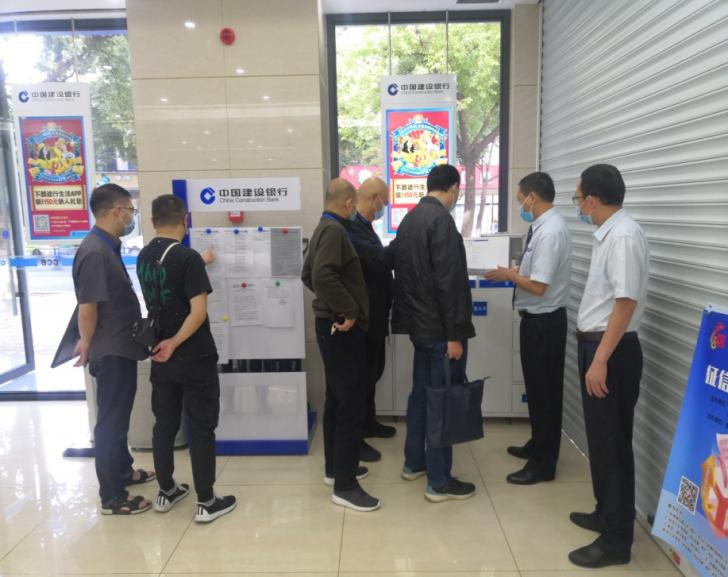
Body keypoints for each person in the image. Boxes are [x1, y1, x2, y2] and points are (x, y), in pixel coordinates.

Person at [136, 194, 236, 524]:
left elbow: (169, 284)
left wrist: (165, 344)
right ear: (186, 219)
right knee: (202, 426)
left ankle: (166, 490)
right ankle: (206, 501)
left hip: (159, 355)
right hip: (193, 356)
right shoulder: (187, 258)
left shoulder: (144, 256)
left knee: (164, 424)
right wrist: (175, 342)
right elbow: (197, 313)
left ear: (153, 221)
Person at [568, 164, 649, 568]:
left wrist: (600, 359)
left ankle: (616, 542)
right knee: (601, 441)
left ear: (593, 200)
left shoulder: (623, 237)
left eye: (577, 198)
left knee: (612, 444)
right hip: (600, 348)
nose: (577, 205)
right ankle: (606, 513)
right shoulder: (610, 234)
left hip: (611, 353)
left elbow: (625, 302)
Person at [391, 164, 477, 502]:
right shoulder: (441, 221)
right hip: (441, 333)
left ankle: (414, 463)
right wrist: (454, 335)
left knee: (421, 397)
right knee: (442, 402)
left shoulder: (409, 220)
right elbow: (449, 283)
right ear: (453, 187)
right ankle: (439, 482)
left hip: (420, 329)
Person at [71, 183, 154, 515]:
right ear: (117, 211)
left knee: (119, 417)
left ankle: (123, 471)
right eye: (131, 211)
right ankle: (112, 496)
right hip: (111, 349)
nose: (132, 217)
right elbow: (87, 307)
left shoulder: (107, 246)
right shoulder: (95, 251)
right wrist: (87, 341)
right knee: (111, 421)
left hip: (121, 344)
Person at [486, 172, 572, 485]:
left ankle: (543, 465)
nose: (520, 205)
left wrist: (510, 276)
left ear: (533, 197)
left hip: (545, 323)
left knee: (545, 394)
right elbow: (534, 272)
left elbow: (538, 286)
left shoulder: (550, 233)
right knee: (536, 390)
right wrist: (512, 270)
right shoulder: (542, 227)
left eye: (521, 199)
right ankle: (537, 444)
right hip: (536, 321)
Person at [301, 178, 380, 512]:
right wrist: (347, 310)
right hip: (342, 329)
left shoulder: (323, 226)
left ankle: (335, 469)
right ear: (349, 203)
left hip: (330, 325)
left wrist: (332, 306)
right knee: (350, 404)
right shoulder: (335, 231)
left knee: (337, 398)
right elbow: (321, 276)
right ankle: (345, 487)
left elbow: (308, 274)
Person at [350, 176, 397, 464]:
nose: (384, 208)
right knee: (361, 378)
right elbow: (378, 261)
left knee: (373, 373)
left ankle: (369, 422)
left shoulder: (365, 226)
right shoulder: (352, 228)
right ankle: (356, 438)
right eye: (384, 203)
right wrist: (402, 241)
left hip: (376, 315)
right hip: (363, 318)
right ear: (373, 198)